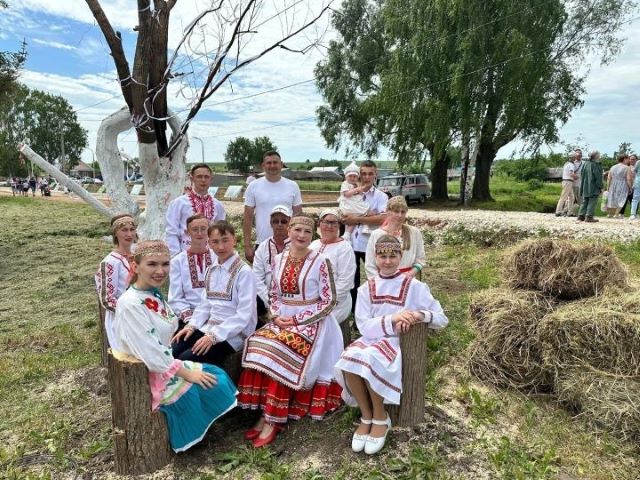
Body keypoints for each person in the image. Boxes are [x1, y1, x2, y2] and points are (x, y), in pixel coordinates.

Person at [114, 240, 237, 453]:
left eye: (165, 264)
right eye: (152, 264)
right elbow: (151, 352)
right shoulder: (130, 304)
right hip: (149, 376)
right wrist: (187, 374)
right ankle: (190, 441)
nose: (160, 271)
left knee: (216, 376)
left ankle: (206, 429)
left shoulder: (152, 294)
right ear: (135, 266)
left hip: (163, 364)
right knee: (201, 388)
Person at [334, 235, 448, 455]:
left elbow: (441, 318)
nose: (387, 261)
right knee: (348, 359)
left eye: (393, 256)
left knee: (370, 358)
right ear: (375, 257)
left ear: (401, 256)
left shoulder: (414, 286)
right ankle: (366, 415)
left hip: (396, 343)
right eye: (382, 256)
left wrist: (417, 315)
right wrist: (393, 318)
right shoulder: (366, 288)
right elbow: (363, 325)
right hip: (371, 338)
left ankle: (380, 417)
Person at [237, 214, 342, 448]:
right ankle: (265, 411)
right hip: (283, 319)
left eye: (307, 231)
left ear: (312, 234)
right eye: (297, 230)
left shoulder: (321, 261)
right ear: (290, 231)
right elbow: (274, 293)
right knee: (257, 341)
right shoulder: (279, 259)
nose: (302, 235)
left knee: (281, 349)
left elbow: (328, 301)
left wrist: (296, 320)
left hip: (313, 321)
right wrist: (275, 315)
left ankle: (274, 418)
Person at [172, 221, 257, 366]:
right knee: (172, 351)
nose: (221, 247)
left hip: (233, 334)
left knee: (184, 360)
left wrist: (214, 336)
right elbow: (205, 305)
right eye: (215, 242)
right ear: (209, 243)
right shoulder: (211, 270)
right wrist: (191, 326)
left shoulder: (244, 272)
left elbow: (244, 315)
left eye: (225, 240)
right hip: (208, 327)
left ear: (234, 240)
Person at [340, 160, 388, 311]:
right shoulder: (350, 191)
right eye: (363, 174)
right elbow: (344, 212)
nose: (366, 177)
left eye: (370, 174)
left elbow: (382, 219)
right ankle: (353, 310)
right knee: (351, 280)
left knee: (374, 278)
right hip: (350, 244)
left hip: (370, 243)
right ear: (359, 174)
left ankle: (375, 308)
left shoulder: (381, 196)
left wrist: (356, 219)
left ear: (375, 174)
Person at [243, 151, 303, 263]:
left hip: (288, 244)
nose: (272, 165)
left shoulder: (292, 186)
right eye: (269, 163)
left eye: (275, 162)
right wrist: (247, 245)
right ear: (263, 165)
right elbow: (248, 217)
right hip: (262, 243)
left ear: (281, 164)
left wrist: (299, 241)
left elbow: (298, 217)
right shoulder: (253, 186)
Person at [95, 214, 138, 351]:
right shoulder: (110, 262)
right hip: (121, 318)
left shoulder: (137, 257)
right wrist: (130, 312)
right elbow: (107, 299)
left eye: (132, 229)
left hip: (141, 314)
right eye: (124, 230)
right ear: (115, 233)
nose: (129, 234)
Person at [165, 163, 225, 257]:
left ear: (211, 179)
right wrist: (176, 256)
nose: (203, 180)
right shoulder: (178, 203)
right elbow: (171, 232)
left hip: (211, 255)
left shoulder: (218, 205)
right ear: (192, 178)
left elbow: (221, 231)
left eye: (206, 177)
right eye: (199, 176)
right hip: (185, 254)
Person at [310, 208, 356, 326]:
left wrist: (326, 301)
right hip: (312, 299)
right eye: (326, 222)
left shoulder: (344, 247)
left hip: (336, 303)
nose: (329, 226)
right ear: (320, 223)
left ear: (339, 225)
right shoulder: (313, 245)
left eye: (333, 223)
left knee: (319, 323)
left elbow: (345, 281)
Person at [168, 214, 214, 326]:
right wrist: (191, 320)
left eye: (203, 229)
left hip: (216, 314)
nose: (199, 233)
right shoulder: (177, 261)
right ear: (187, 232)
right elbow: (175, 297)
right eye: (195, 229)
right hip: (190, 316)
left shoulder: (218, 258)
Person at [365, 196, 425, 280]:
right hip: (383, 280)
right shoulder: (376, 234)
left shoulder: (414, 232)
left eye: (403, 212)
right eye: (396, 211)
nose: (400, 215)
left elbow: (420, 259)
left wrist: (410, 274)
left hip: (408, 279)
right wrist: (378, 281)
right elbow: (370, 264)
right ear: (388, 211)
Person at [253, 205, 292, 319]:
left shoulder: (297, 245)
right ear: (271, 223)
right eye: (275, 221)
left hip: (291, 299)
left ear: (290, 223)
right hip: (266, 300)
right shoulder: (263, 247)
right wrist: (269, 301)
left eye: (283, 221)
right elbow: (257, 278)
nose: (279, 224)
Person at [339, 162, 373, 241]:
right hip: (349, 205)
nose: (352, 178)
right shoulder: (345, 184)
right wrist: (357, 189)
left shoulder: (357, 184)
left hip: (355, 203)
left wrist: (360, 191)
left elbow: (360, 194)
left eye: (354, 176)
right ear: (346, 177)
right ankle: (365, 226)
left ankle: (347, 234)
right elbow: (347, 194)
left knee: (355, 219)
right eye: (350, 176)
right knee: (366, 211)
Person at [577, 150, 604, 223]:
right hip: (593, 186)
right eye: (599, 154)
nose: (600, 156)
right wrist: (601, 186)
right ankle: (589, 217)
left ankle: (581, 216)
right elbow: (598, 177)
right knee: (592, 200)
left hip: (585, 185)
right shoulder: (596, 164)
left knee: (585, 200)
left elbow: (581, 174)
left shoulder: (585, 164)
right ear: (596, 156)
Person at [605, 154, 633, 218]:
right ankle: (616, 214)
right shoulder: (627, 168)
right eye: (628, 159)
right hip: (623, 185)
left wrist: (608, 187)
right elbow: (628, 179)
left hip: (613, 184)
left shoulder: (613, 167)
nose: (629, 160)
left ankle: (610, 214)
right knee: (621, 199)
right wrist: (630, 187)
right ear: (624, 159)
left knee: (612, 198)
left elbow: (609, 178)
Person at [555, 152, 577, 216]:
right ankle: (558, 211)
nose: (575, 158)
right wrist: (576, 177)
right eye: (575, 156)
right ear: (573, 157)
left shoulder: (566, 163)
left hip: (567, 181)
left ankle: (570, 212)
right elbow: (571, 174)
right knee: (564, 197)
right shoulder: (571, 165)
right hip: (568, 181)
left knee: (572, 197)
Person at [572, 148, 584, 215]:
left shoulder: (584, 163)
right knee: (572, 199)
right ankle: (571, 212)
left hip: (581, 184)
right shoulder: (572, 163)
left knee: (581, 200)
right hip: (572, 184)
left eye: (580, 153)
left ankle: (581, 213)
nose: (578, 154)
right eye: (577, 153)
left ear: (581, 155)